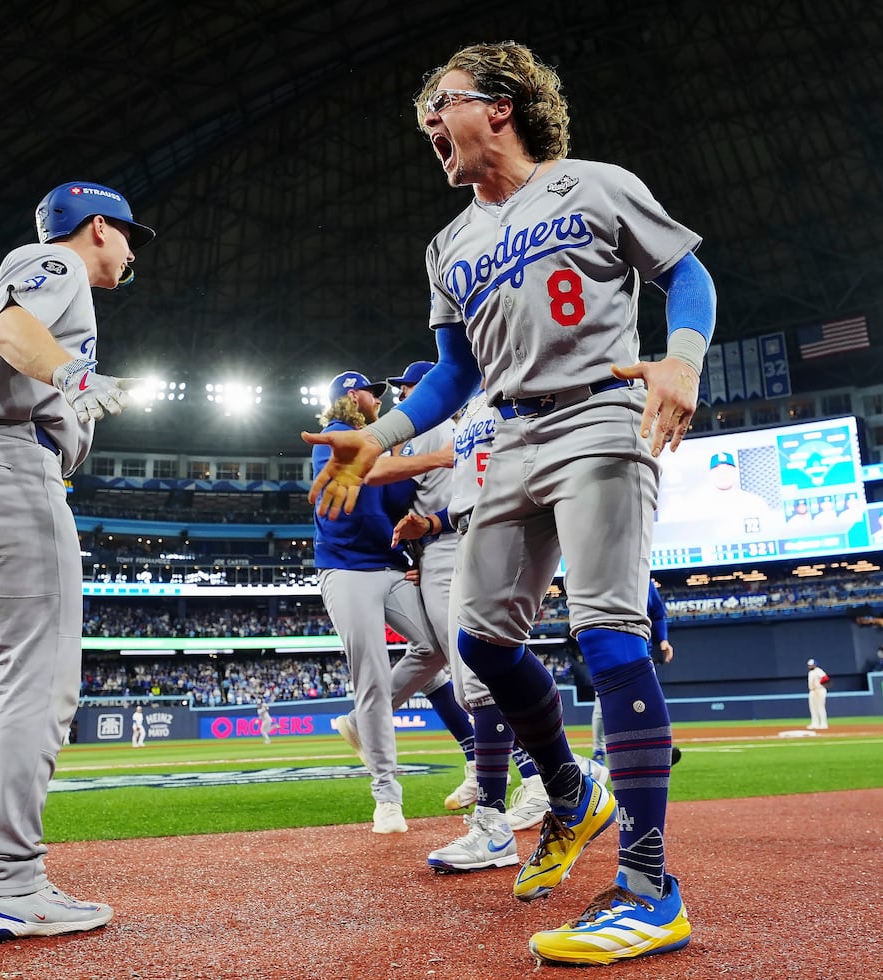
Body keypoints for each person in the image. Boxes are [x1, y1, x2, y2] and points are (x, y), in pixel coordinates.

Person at [304, 40, 715, 966]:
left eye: (438, 106)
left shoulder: (595, 184)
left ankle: (650, 887)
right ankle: (571, 790)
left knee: (608, 630)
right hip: (513, 435)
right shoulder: (447, 245)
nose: (427, 127)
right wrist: (384, 435)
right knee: (483, 643)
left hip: (603, 415)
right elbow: (455, 372)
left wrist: (681, 357)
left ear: (498, 105)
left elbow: (687, 273)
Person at [0, 180, 154, 941]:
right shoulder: (57, 265)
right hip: (5, 465)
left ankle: (10, 881)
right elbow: (16, 330)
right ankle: (9, 883)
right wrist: (75, 377)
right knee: (39, 677)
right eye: (128, 235)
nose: (132, 250)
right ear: (99, 228)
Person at [391, 380, 609, 874]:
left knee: (484, 672)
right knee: (473, 685)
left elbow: (524, 474)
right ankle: (566, 773)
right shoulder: (468, 409)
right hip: (466, 533)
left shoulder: (518, 390)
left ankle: (499, 819)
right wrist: (433, 525)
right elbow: (470, 487)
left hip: (504, 530)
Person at [312, 370, 472, 834]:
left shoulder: (392, 446)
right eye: (370, 393)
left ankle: (361, 723)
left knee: (437, 646)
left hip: (390, 565)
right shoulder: (339, 436)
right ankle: (386, 795)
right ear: (350, 397)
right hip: (345, 569)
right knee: (371, 673)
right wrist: (436, 457)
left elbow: (404, 504)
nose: (378, 400)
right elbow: (368, 471)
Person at [592, 581, 682, 766]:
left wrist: (663, 639)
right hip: (610, 650)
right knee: (603, 704)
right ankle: (599, 752)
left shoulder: (645, 580)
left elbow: (658, 614)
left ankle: (658, 749)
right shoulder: (605, 574)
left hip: (642, 652)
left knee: (651, 702)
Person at [806, 658, 829, 730]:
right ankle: (814, 723)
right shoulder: (810, 673)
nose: (810, 666)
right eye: (809, 665)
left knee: (820, 707)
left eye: (811, 665)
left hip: (819, 690)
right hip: (812, 691)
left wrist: (820, 684)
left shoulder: (819, 671)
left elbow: (825, 678)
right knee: (813, 708)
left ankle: (823, 724)